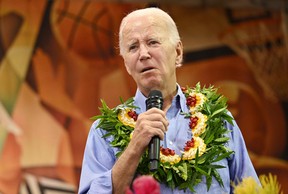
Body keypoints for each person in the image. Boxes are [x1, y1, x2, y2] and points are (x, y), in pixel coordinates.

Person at [78, 7, 259, 194]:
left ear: (178, 52)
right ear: (126, 64)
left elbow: (252, 190)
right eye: (133, 47)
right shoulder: (103, 132)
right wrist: (134, 148)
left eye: (153, 42)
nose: (143, 54)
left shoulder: (219, 121)